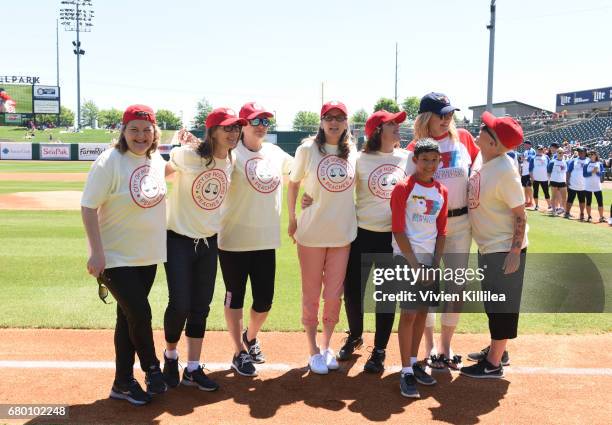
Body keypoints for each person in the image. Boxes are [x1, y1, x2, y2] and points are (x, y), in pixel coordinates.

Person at [81, 105, 168, 405]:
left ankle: (122, 383)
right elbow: (88, 206)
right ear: (123, 131)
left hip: (146, 257)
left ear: (155, 132)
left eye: (146, 130)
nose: (141, 136)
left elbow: (178, 171)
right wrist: (96, 252)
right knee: (141, 313)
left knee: (128, 318)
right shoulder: (110, 161)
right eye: (134, 129)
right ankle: (152, 369)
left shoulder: (155, 159)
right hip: (115, 257)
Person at [161, 108, 245, 391]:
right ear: (212, 132)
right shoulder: (189, 155)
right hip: (178, 240)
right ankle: (171, 356)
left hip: (209, 243)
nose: (233, 133)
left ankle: (193, 368)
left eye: (236, 128)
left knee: (201, 307)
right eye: (227, 128)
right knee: (180, 304)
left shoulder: (230, 160)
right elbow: (163, 172)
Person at [407, 92, 481, 371]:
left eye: (450, 113)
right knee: (425, 288)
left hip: (460, 223)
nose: (447, 118)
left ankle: (445, 346)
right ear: (426, 117)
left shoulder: (463, 138)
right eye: (442, 114)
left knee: (456, 287)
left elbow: (480, 172)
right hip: (427, 227)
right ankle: (426, 346)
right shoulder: (416, 146)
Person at [218, 102, 293, 377]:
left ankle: (250, 337)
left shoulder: (274, 152)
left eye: (265, 121)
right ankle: (239, 352)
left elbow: (299, 170)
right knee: (234, 298)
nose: (261, 125)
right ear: (243, 124)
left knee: (264, 301)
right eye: (255, 120)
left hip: (265, 240)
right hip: (233, 240)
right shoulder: (230, 153)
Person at [333, 109, 410, 373]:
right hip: (361, 234)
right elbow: (336, 185)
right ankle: (355, 335)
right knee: (353, 293)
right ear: (378, 131)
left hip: (392, 238)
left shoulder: (407, 158)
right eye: (392, 124)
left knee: (386, 297)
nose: (399, 128)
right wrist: (310, 198)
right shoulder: (359, 159)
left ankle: (379, 350)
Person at [287, 101, 358, 375]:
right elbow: (293, 183)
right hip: (311, 234)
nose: (334, 122)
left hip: (342, 235)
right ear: (321, 121)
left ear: (346, 123)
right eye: (329, 117)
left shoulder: (353, 152)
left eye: (340, 118)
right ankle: (312, 350)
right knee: (311, 295)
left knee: (333, 296)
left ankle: (327, 346)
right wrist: (293, 218)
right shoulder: (307, 149)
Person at [462, 112, 528, 378]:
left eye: (485, 128)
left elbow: (520, 214)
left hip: (503, 248)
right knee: (493, 303)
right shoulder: (483, 157)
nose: (480, 128)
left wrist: (514, 251)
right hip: (489, 246)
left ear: (494, 143)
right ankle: (498, 349)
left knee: (502, 305)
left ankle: (493, 363)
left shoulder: (504, 170)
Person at [391, 139, 448, 398]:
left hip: (429, 262)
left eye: (434, 160)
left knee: (423, 313)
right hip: (406, 259)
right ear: (415, 160)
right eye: (425, 159)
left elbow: (442, 231)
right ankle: (405, 371)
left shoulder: (442, 191)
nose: (430, 164)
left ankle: (414, 362)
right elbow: (399, 230)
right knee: (409, 314)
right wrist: (415, 266)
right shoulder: (404, 188)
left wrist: (434, 265)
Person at [564, 147, 589, 220]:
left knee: (582, 200)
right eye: (579, 152)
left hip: (583, 185)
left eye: (582, 151)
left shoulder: (588, 161)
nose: (580, 153)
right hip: (573, 184)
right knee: (570, 200)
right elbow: (568, 172)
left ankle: (582, 214)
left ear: (585, 152)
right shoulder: (573, 161)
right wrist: (567, 181)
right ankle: (567, 213)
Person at [583, 151, 605, 223]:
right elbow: (584, 175)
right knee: (588, 202)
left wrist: (597, 172)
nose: (590, 155)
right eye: (589, 154)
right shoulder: (586, 164)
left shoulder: (599, 163)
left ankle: (601, 217)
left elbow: (601, 174)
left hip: (597, 186)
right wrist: (592, 171)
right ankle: (589, 216)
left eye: (592, 154)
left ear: (596, 155)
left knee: (600, 202)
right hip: (588, 186)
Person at [528, 145, 551, 212]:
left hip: (544, 178)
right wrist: (532, 178)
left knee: (546, 192)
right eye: (539, 149)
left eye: (541, 149)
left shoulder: (546, 157)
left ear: (543, 150)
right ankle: (536, 205)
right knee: (535, 192)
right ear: (537, 150)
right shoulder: (533, 158)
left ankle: (549, 206)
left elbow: (549, 168)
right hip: (536, 178)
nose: (540, 150)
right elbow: (530, 169)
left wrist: (549, 178)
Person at [547, 147, 568, 216]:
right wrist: (549, 181)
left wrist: (566, 181)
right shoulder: (552, 162)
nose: (561, 154)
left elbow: (566, 172)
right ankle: (554, 210)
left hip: (562, 182)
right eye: (559, 152)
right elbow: (549, 172)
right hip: (554, 181)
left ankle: (565, 211)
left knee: (564, 197)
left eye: (562, 152)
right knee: (554, 197)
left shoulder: (565, 162)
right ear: (557, 153)